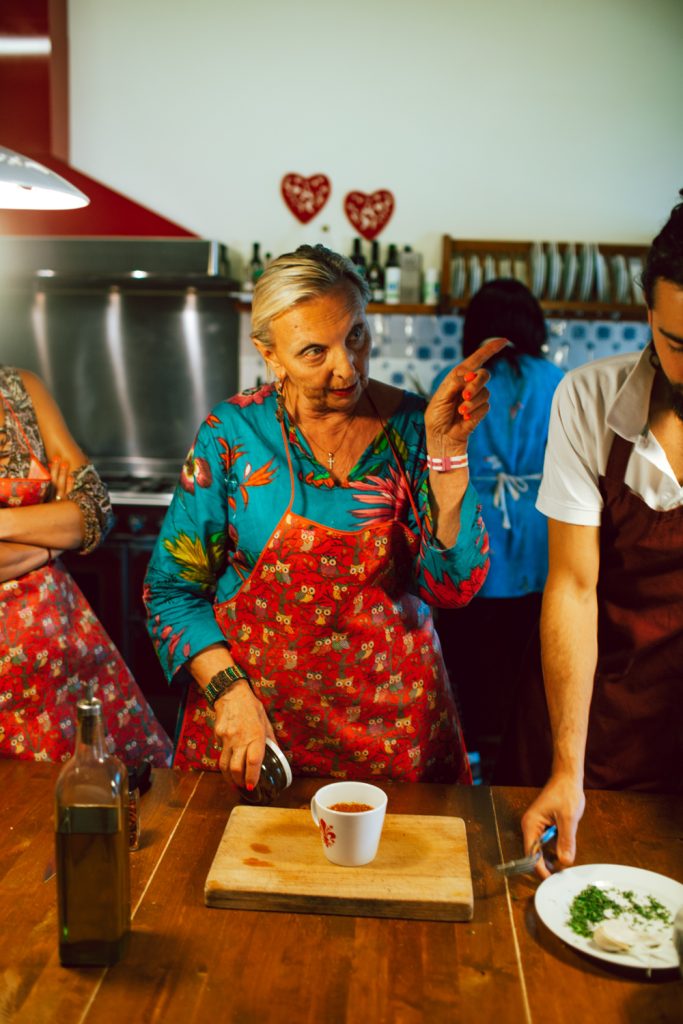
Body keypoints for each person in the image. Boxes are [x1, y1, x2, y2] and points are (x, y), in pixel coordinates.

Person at [144, 244, 506, 790]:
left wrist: (447, 457)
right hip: (258, 737)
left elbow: (454, 587)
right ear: (270, 354)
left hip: (392, 738)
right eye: (315, 352)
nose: (347, 368)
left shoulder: (413, 425)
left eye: (356, 335)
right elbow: (171, 592)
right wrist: (229, 693)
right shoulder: (232, 436)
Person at [516, 191, 683, 877]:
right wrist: (565, 766)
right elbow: (574, 587)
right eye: (677, 344)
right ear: (648, 316)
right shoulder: (588, 399)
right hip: (593, 717)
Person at [0, 366, 173, 767]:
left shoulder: (20, 388)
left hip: (70, 669)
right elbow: (74, 519)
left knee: (122, 807)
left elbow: (94, 509)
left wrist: (7, 525)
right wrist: (51, 529)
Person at [431, 280, 564, 780]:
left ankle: (474, 763)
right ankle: (522, 767)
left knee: (470, 663)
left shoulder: (459, 379)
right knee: (528, 667)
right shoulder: (558, 381)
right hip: (541, 536)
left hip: (475, 529)